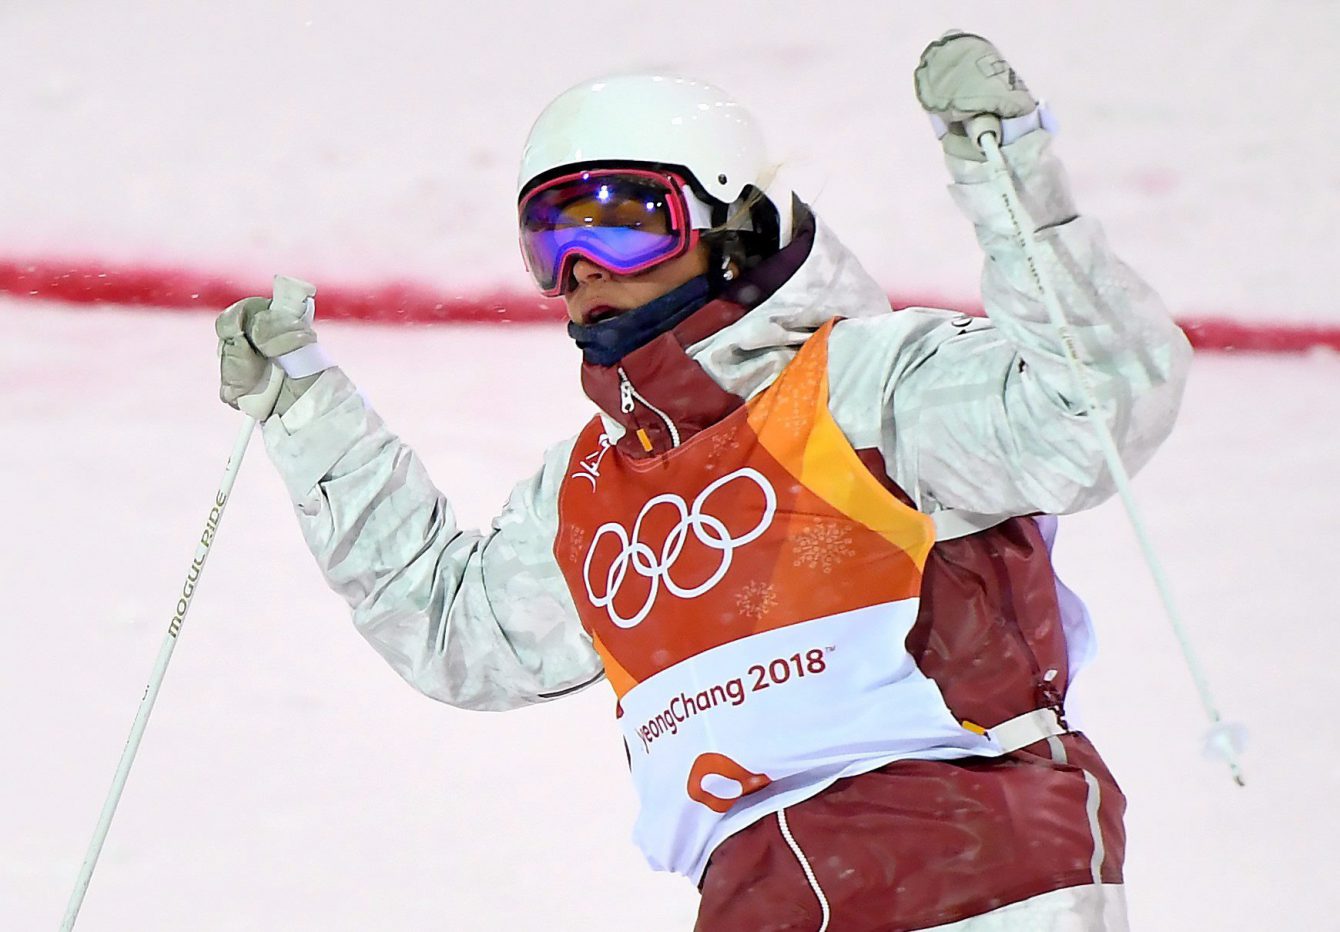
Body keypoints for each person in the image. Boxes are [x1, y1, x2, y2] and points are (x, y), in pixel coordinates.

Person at [216, 33, 1191, 932]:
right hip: (749, 894)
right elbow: (456, 637)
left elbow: (1093, 409)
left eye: (622, 222)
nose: (583, 267)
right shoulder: (592, 488)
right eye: (550, 239)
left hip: (973, 863)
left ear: (727, 219)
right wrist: (308, 416)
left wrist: (1005, 171)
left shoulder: (863, 388)